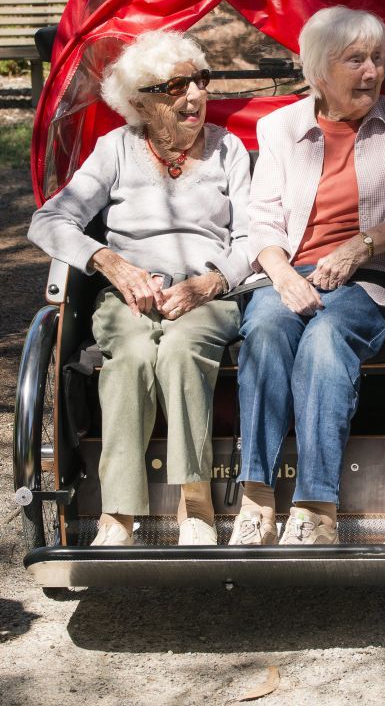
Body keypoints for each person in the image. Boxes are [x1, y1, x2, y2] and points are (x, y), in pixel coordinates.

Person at [228, 5, 385, 546]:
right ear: (318, 71)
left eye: (377, 58)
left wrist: (363, 245)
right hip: (287, 272)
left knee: (326, 339)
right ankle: (256, 498)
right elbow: (260, 219)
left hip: (368, 277)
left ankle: (316, 505)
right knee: (263, 331)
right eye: (356, 60)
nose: (372, 71)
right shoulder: (279, 128)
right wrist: (282, 274)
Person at [29, 30, 251, 547]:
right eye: (176, 86)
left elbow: (252, 238)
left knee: (180, 349)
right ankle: (118, 515)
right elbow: (49, 220)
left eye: (200, 80)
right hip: (129, 295)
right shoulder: (116, 149)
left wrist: (211, 282)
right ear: (140, 103)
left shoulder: (229, 149)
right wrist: (109, 262)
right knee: (127, 359)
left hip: (206, 292)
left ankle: (195, 502)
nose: (194, 94)